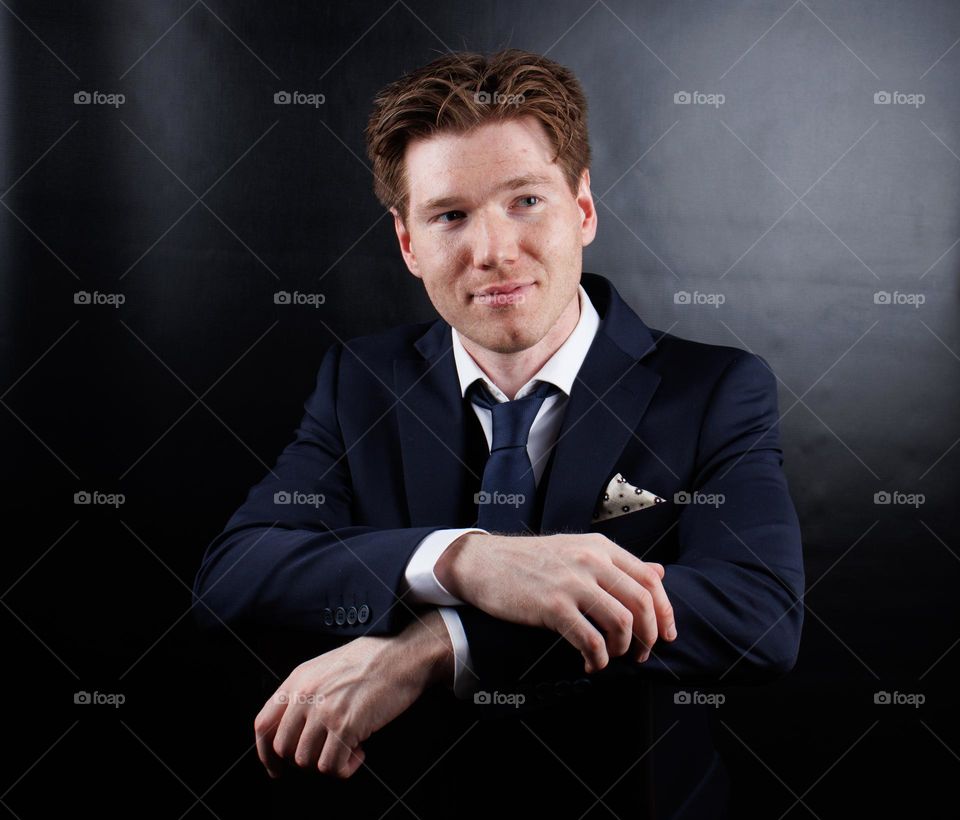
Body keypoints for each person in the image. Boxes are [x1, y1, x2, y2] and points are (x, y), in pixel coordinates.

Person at [191, 48, 804, 819]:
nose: (493, 252)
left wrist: (438, 646)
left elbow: (759, 617)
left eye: (525, 201)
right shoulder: (360, 383)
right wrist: (465, 561)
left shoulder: (713, 389)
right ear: (409, 243)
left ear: (582, 208)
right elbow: (236, 571)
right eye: (450, 215)